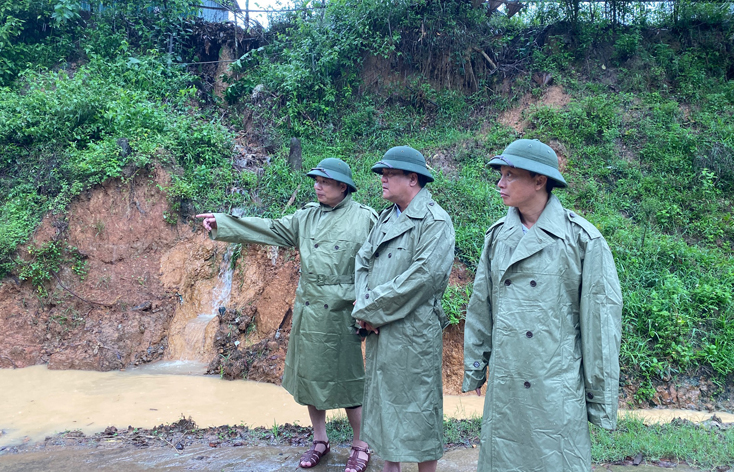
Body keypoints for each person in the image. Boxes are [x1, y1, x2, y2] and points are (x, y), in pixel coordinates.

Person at [197, 158, 377, 472]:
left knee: (350, 380)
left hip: (345, 309)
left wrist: (371, 306)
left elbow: (380, 262)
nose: (317, 186)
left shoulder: (365, 219)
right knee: (309, 375)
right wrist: (223, 223)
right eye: (316, 181)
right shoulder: (305, 217)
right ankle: (319, 440)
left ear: (343, 186)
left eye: (324, 181)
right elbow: (268, 228)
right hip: (309, 305)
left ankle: (361, 444)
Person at [462, 139, 623, 472]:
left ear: (539, 181)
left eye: (510, 175)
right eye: (500, 174)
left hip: (554, 386)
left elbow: (600, 328)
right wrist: (476, 368)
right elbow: (482, 308)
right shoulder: (496, 238)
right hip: (508, 384)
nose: (500, 183)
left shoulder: (581, 239)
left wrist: (600, 400)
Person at [352, 146, 455, 472]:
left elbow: (422, 279)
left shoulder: (435, 221)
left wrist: (369, 309)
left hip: (414, 333)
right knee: (384, 406)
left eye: (389, 173)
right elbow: (362, 261)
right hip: (381, 329)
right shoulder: (385, 218)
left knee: (420, 409)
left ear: (413, 179)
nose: (382, 178)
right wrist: (365, 305)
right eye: (382, 173)